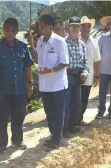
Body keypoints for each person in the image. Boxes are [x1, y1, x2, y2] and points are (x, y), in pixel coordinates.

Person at [0, 18, 34, 154]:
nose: (9, 32)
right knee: (1, 118)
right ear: (3, 29)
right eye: (6, 29)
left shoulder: (23, 46)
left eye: (12, 30)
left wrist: (30, 83)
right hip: (2, 90)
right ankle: (2, 145)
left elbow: (28, 66)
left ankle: (17, 141)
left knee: (19, 116)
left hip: (19, 89)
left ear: (17, 31)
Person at [35, 14, 69, 148]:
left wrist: (51, 70)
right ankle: (53, 136)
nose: (40, 28)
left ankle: (57, 139)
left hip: (57, 85)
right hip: (44, 85)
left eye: (42, 26)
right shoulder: (40, 41)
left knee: (58, 112)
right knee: (48, 112)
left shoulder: (59, 42)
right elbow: (38, 59)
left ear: (50, 27)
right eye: (39, 26)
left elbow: (65, 63)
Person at [63, 16, 89, 138]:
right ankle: (64, 129)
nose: (75, 28)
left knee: (76, 103)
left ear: (80, 28)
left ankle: (73, 125)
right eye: (72, 26)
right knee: (66, 103)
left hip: (78, 76)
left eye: (77, 26)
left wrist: (85, 72)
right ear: (68, 27)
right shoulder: (63, 43)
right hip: (66, 75)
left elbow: (85, 63)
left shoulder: (82, 45)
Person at [79, 16, 101, 125]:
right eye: (84, 26)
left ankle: (79, 119)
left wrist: (97, 76)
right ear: (80, 27)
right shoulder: (75, 39)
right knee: (75, 100)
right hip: (76, 76)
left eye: (89, 26)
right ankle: (74, 121)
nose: (87, 28)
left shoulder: (94, 42)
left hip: (89, 77)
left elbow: (96, 61)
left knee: (84, 99)